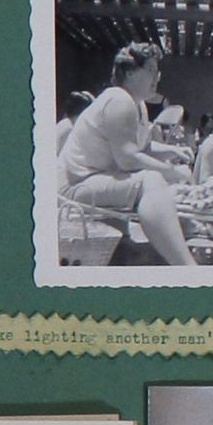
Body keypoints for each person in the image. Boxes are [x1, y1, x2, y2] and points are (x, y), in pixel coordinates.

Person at [56, 43, 196, 267]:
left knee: (157, 182)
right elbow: (128, 159)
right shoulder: (119, 99)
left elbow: (142, 148)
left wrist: (173, 151)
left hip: (95, 179)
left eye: (157, 71)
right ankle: (186, 267)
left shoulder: (137, 104)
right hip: (73, 187)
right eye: (150, 70)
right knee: (150, 180)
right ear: (130, 72)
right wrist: (173, 172)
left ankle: (160, 250)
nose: (157, 77)